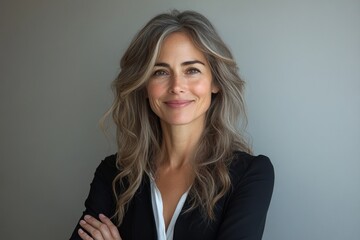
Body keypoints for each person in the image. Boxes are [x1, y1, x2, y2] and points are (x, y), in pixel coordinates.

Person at [70, 9, 274, 240]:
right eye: (160, 72)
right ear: (144, 86)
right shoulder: (113, 174)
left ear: (215, 82)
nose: (177, 86)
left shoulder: (250, 175)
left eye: (192, 70)